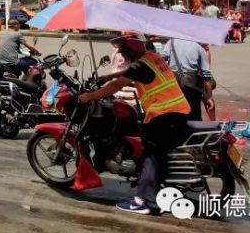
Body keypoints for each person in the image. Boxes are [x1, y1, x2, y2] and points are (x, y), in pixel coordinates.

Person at [79, 35, 190, 215]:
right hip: (178, 110)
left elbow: (117, 85)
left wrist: (91, 96)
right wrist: (107, 75)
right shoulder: (153, 57)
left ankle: (143, 201)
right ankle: (155, 186)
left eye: (124, 52)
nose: (123, 55)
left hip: (163, 115)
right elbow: (129, 74)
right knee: (156, 151)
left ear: (131, 51)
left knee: (151, 155)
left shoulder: (140, 65)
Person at [160, 37, 213, 121]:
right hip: (192, 83)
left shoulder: (171, 43)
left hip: (174, 83)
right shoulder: (198, 47)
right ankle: (196, 130)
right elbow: (206, 75)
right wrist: (209, 97)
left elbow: (161, 59)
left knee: (177, 112)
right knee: (194, 112)